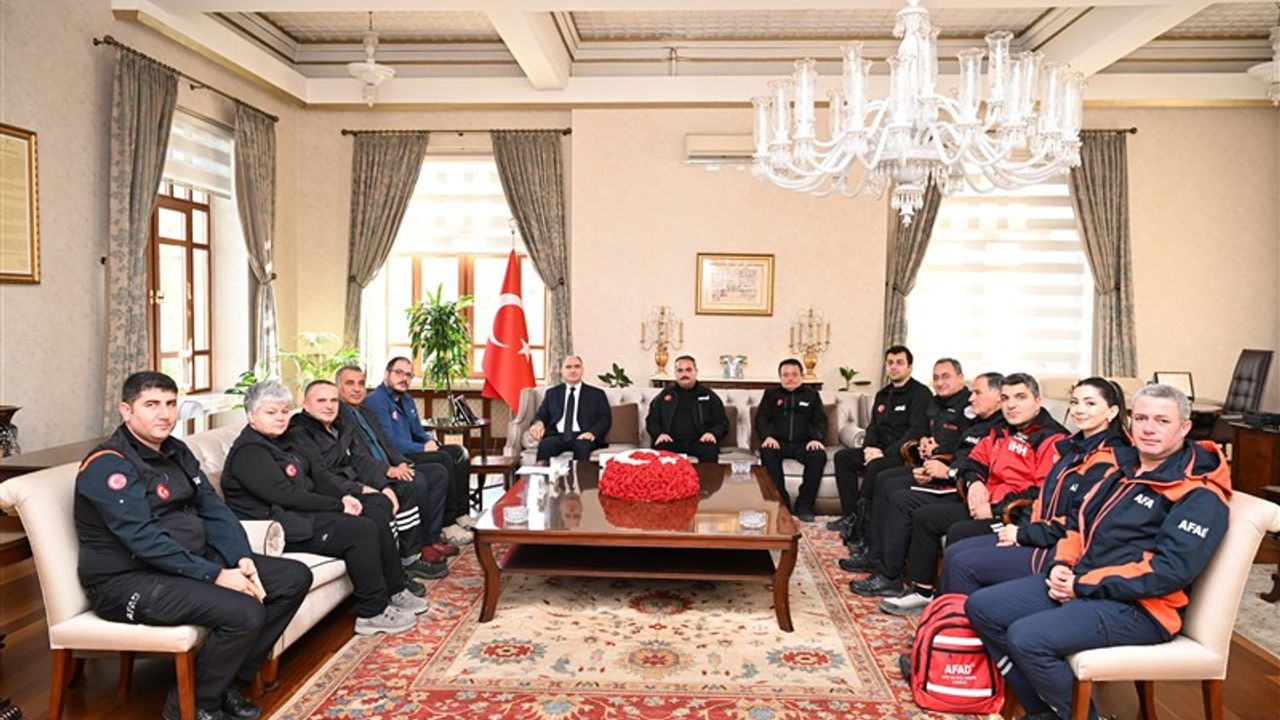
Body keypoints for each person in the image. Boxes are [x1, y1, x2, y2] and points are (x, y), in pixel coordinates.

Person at [966, 384, 1230, 720]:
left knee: (1027, 637)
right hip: (1086, 585)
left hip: (1142, 608)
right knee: (982, 607)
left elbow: (1168, 571)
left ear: (1184, 428)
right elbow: (1079, 523)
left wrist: (1080, 585)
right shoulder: (1121, 468)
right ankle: (1044, 712)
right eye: (1142, 418)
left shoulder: (1199, 493)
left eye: (1162, 420)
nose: (1149, 428)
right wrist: (1062, 563)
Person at [75, 371, 311, 720]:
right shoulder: (109, 465)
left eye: (170, 404)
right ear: (126, 410)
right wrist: (216, 574)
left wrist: (241, 557)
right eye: (151, 405)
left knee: (292, 578)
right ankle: (194, 705)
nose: (164, 414)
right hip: (128, 580)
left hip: (185, 563)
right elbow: (144, 540)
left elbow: (214, 509)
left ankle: (225, 681)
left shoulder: (176, 450)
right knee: (245, 612)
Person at [221, 380, 428, 637]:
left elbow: (316, 476)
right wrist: (338, 505)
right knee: (361, 530)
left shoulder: (283, 441)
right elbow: (286, 496)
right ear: (251, 415)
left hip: (300, 513)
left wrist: (348, 496)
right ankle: (371, 613)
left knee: (374, 511)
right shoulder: (250, 452)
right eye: (271, 412)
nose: (280, 418)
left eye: (284, 411)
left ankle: (395, 589)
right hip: (278, 527)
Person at [851, 373, 1066, 602]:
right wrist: (975, 483)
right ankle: (921, 592)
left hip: (1012, 514)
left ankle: (948, 601)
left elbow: (1042, 492)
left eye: (1020, 397)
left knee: (958, 530)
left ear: (1037, 401)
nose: (1011, 405)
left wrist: (993, 509)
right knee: (925, 517)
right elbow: (974, 461)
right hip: (980, 501)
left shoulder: (1052, 438)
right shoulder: (1001, 429)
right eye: (1006, 398)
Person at [936, 378, 1130, 598]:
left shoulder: (1109, 459)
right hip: (1036, 531)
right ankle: (941, 615)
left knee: (962, 562)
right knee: (955, 551)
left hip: (1060, 549)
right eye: (1075, 402)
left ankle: (961, 618)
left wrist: (1022, 534)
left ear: (1112, 412)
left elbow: (1078, 522)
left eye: (1090, 403)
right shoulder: (1071, 448)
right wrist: (1019, 528)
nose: (1079, 410)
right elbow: (1043, 498)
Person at [842, 369, 1000, 576]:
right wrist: (930, 450)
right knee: (885, 481)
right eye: (936, 377)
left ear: (999, 397)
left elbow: (976, 463)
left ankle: (888, 571)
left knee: (896, 493)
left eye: (978, 393)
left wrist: (947, 469)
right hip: (946, 469)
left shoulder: (996, 428)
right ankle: (873, 550)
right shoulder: (976, 421)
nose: (972, 398)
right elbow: (962, 451)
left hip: (959, 485)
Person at [285, 380, 446, 579]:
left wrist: (383, 485)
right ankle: (393, 569)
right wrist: (363, 489)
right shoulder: (299, 433)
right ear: (306, 404)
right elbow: (321, 476)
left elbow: (359, 459)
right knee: (381, 503)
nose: (329, 406)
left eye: (333, 401)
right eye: (321, 401)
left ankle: (410, 558)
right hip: (334, 491)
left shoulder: (340, 425)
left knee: (404, 488)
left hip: (355, 480)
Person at [335, 365, 459, 564]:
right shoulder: (337, 415)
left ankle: (432, 537)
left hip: (390, 464)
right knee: (417, 481)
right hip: (372, 473)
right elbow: (356, 458)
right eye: (350, 383)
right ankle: (421, 545)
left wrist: (402, 463)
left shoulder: (366, 412)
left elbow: (387, 445)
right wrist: (389, 470)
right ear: (338, 387)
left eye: (361, 383)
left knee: (438, 473)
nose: (357, 389)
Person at [363, 356, 474, 542]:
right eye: (399, 373)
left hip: (412, 450)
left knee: (458, 452)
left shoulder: (406, 399)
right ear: (386, 374)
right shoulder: (376, 401)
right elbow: (389, 442)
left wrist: (431, 442)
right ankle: (447, 524)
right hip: (397, 456)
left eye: (409, 375)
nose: (404, 378)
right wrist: (423, 447)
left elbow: (418, 431)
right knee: (443, 458)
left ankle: (461, 514)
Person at [828, 346, 932, 541]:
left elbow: (916, 431)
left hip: (903, 454)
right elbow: (874, 426)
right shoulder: (883, 394)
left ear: (909, 367)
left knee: (876, 466)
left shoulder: (921, 393)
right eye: (890, 363)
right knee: (843, 458)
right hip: (878, 451)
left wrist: (884, 454)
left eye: (899, 363)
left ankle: (862, 524)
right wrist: (869, 448)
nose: (894, 367)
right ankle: (851, 516)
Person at [755, 358, 827, 522]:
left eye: (794, 374)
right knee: (767, 452)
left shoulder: (812, 395)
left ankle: (804, 505)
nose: (790, 378)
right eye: (785, 375)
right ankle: (782, 503)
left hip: (804, 444)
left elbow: (820, 420)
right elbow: (761, 419)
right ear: (780, 377)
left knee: (818, 456)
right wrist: (767, 437)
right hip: (777, 443)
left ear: (802, 376)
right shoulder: (770, 394)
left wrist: (817, 438)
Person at [645, 355, 728, 463]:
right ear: (675, 373)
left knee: (710, 450)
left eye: (688, 370)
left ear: (696, 372)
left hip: (700, 440)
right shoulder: (665, 395)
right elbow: (652, 420)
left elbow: (722, 421)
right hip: (671, 441)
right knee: (661, 449)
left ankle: (707, 476)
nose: (684, 374)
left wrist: (712, 433)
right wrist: (659, 434)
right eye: (680, 370)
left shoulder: (708, 395)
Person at [529, 355, 612, 461]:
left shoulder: (597, 394)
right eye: (568, 367)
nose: (573, 370)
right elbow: (542, 414)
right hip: (558, 435)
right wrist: (538, 423)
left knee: (582, 446)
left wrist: (592, 433)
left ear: (582, 370)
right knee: (546, 445)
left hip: (583, 435)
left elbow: (604, 418)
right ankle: (541, 472)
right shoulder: (552, 393)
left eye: (577, 366)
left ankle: (579, 473)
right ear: (562, 371)